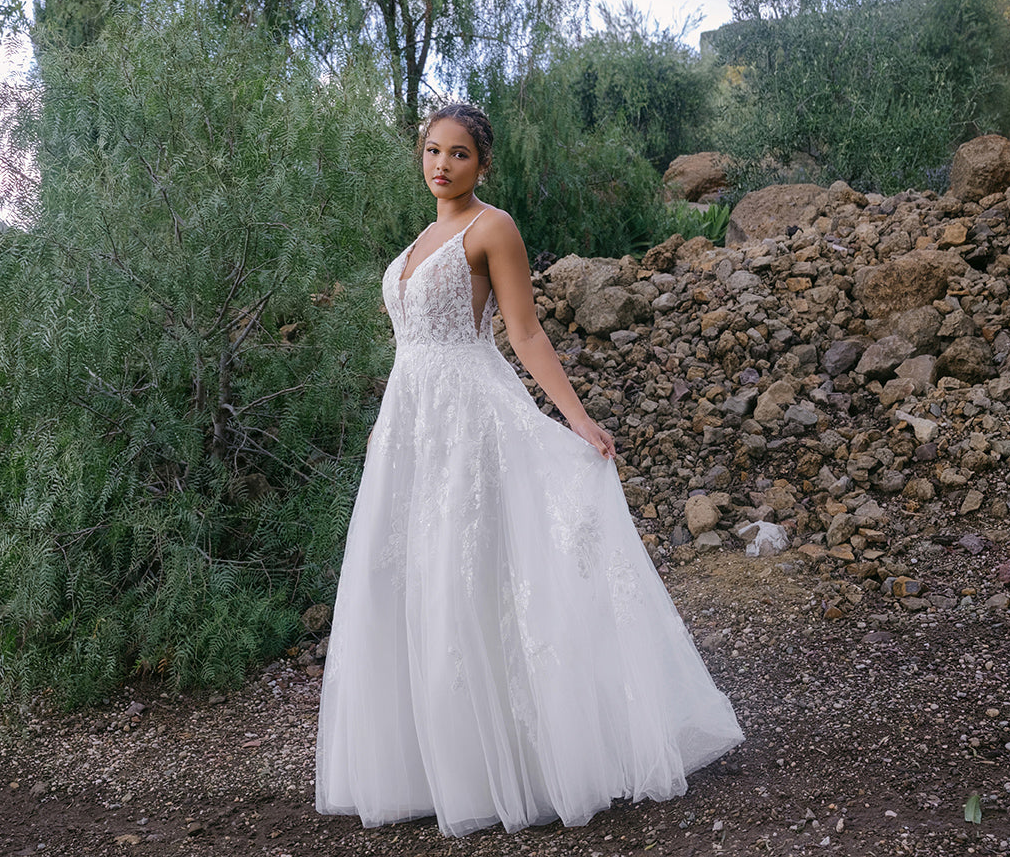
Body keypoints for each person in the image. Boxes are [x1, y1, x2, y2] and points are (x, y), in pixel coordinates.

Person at [315, 103, 743, 837]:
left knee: (470, 571)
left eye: (458, 154)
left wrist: (576, 419)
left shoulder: (493, 228)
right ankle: (435, 764)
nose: (442, 164)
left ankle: (518, 761)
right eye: (432, 151)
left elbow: (525, 331)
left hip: (470, 415)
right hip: (412, 424)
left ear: (482, 164)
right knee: (415, 577)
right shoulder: (420, 240)